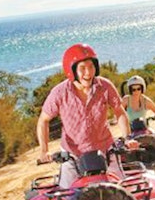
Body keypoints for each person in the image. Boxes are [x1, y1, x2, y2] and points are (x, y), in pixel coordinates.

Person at [37, 43, 137, 188]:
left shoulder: (105, 86)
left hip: (105, 150)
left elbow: (120, 112)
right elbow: (43, 121)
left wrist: (128, 138)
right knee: (68, 198)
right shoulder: (59, 93)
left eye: (91, 66)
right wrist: (43, 150)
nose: (88, 73)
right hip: (73, 155)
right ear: (71, 71)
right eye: (82, 68)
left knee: (124, 190)